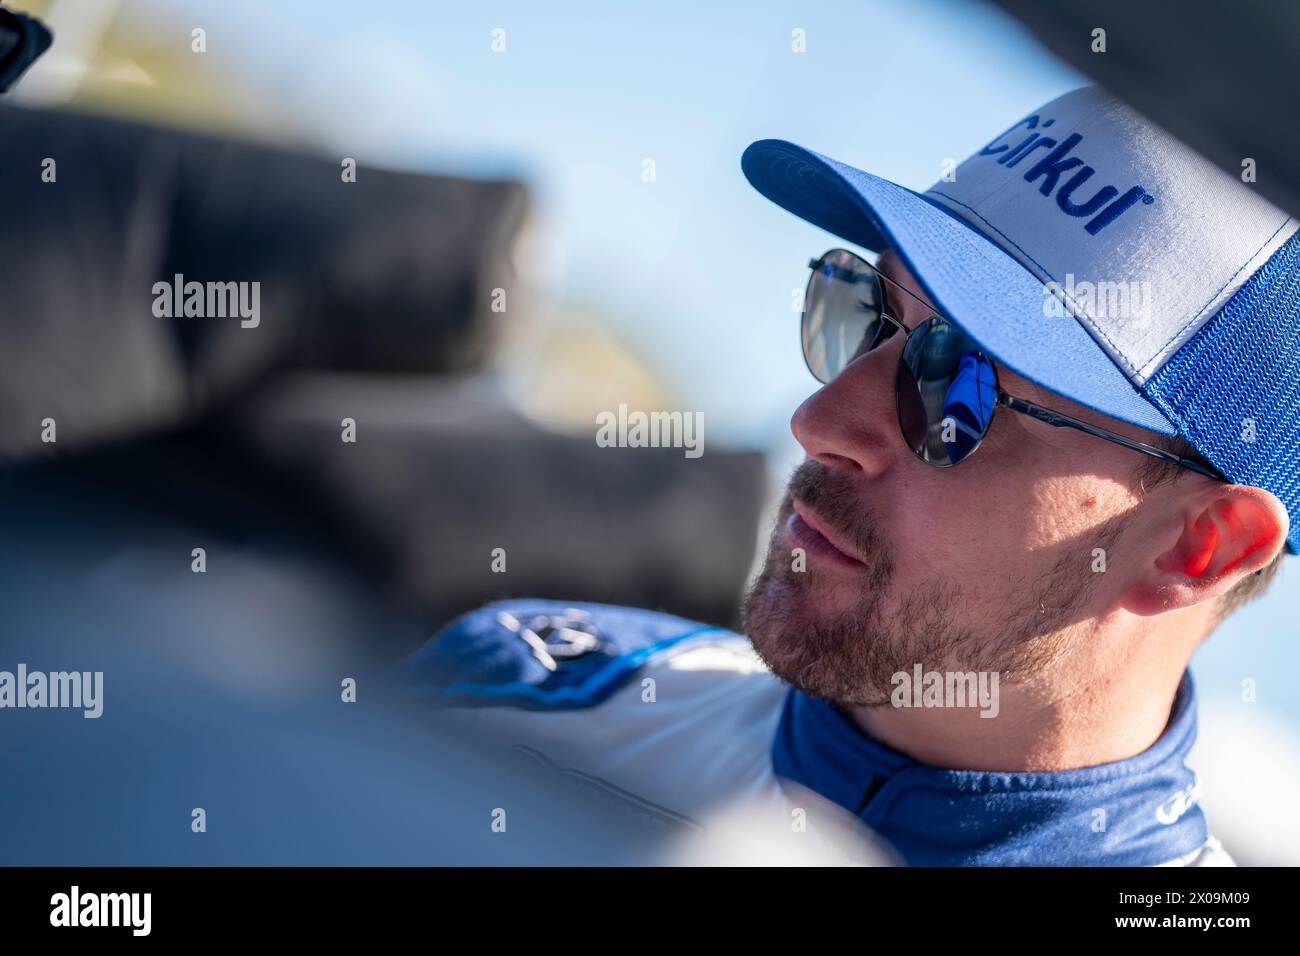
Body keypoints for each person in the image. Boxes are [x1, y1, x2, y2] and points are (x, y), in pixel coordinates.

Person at [404, 87, 1298, 866]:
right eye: (865, 314)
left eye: (957, 388)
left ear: (1200, 547)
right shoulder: (514, 697)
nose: (820, 422)